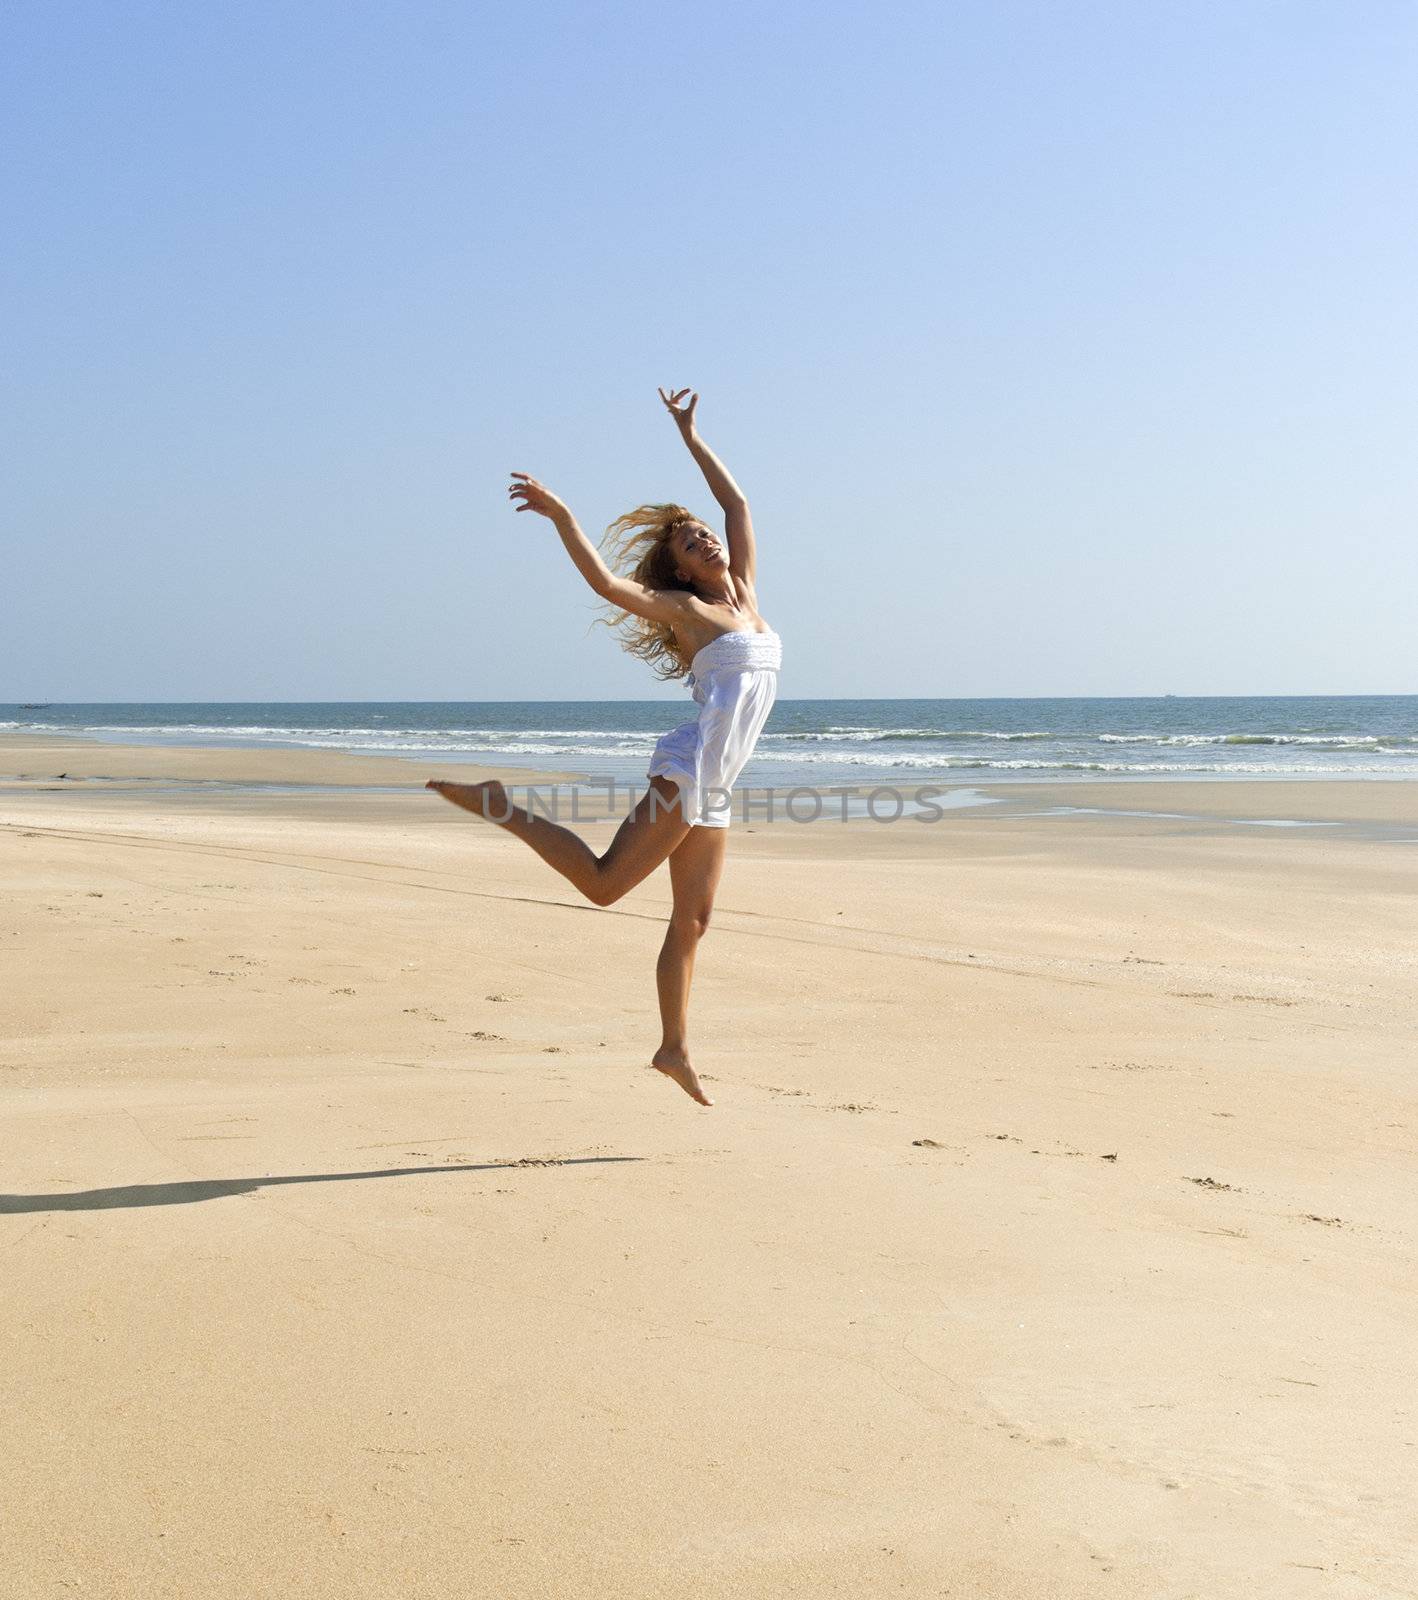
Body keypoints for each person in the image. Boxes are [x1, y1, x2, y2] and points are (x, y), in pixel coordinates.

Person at [427, 388, 782, 1106]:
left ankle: (674, 1048)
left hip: (717, 784)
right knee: (603, 886)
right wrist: (562, 516)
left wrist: (691, 435)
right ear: (680, 571)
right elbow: (606, 582)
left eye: (702, 534)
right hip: (690, 774)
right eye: (690, 541)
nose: (706, 539)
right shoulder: (687, 610)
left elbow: (738, 505)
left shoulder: (744, 591)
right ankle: (502, 808)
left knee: (693, 921)